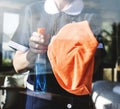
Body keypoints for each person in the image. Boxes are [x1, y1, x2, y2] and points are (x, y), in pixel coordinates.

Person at [9, 0, 103, 109]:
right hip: (39, 99)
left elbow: (97, 57)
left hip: (75, 100)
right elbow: (18, 66)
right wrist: (34, 52)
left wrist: (74, 47)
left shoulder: (90, 14)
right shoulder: (33, 11)